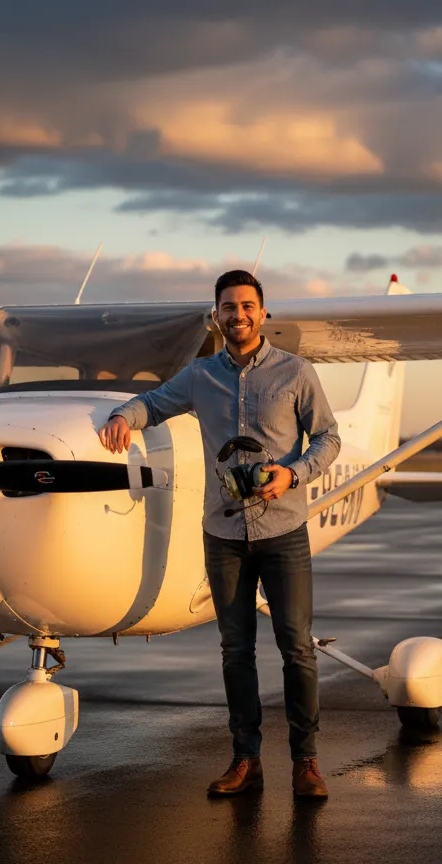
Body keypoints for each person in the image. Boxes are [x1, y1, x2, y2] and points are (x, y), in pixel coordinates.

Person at [99, 269, 341, 798]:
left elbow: (327, 437)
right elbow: (153, 403)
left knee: (297, 647)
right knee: (236, 652)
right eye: (228, 308)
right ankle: (245, 760)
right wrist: (122, 414)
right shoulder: (200, 375)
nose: (239, 316)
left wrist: (293, 474)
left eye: (247, 306)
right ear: (217, 316)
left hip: (284, 532)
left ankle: (307, 762)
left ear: (262, 312)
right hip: (223, 532)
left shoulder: (296, 373)